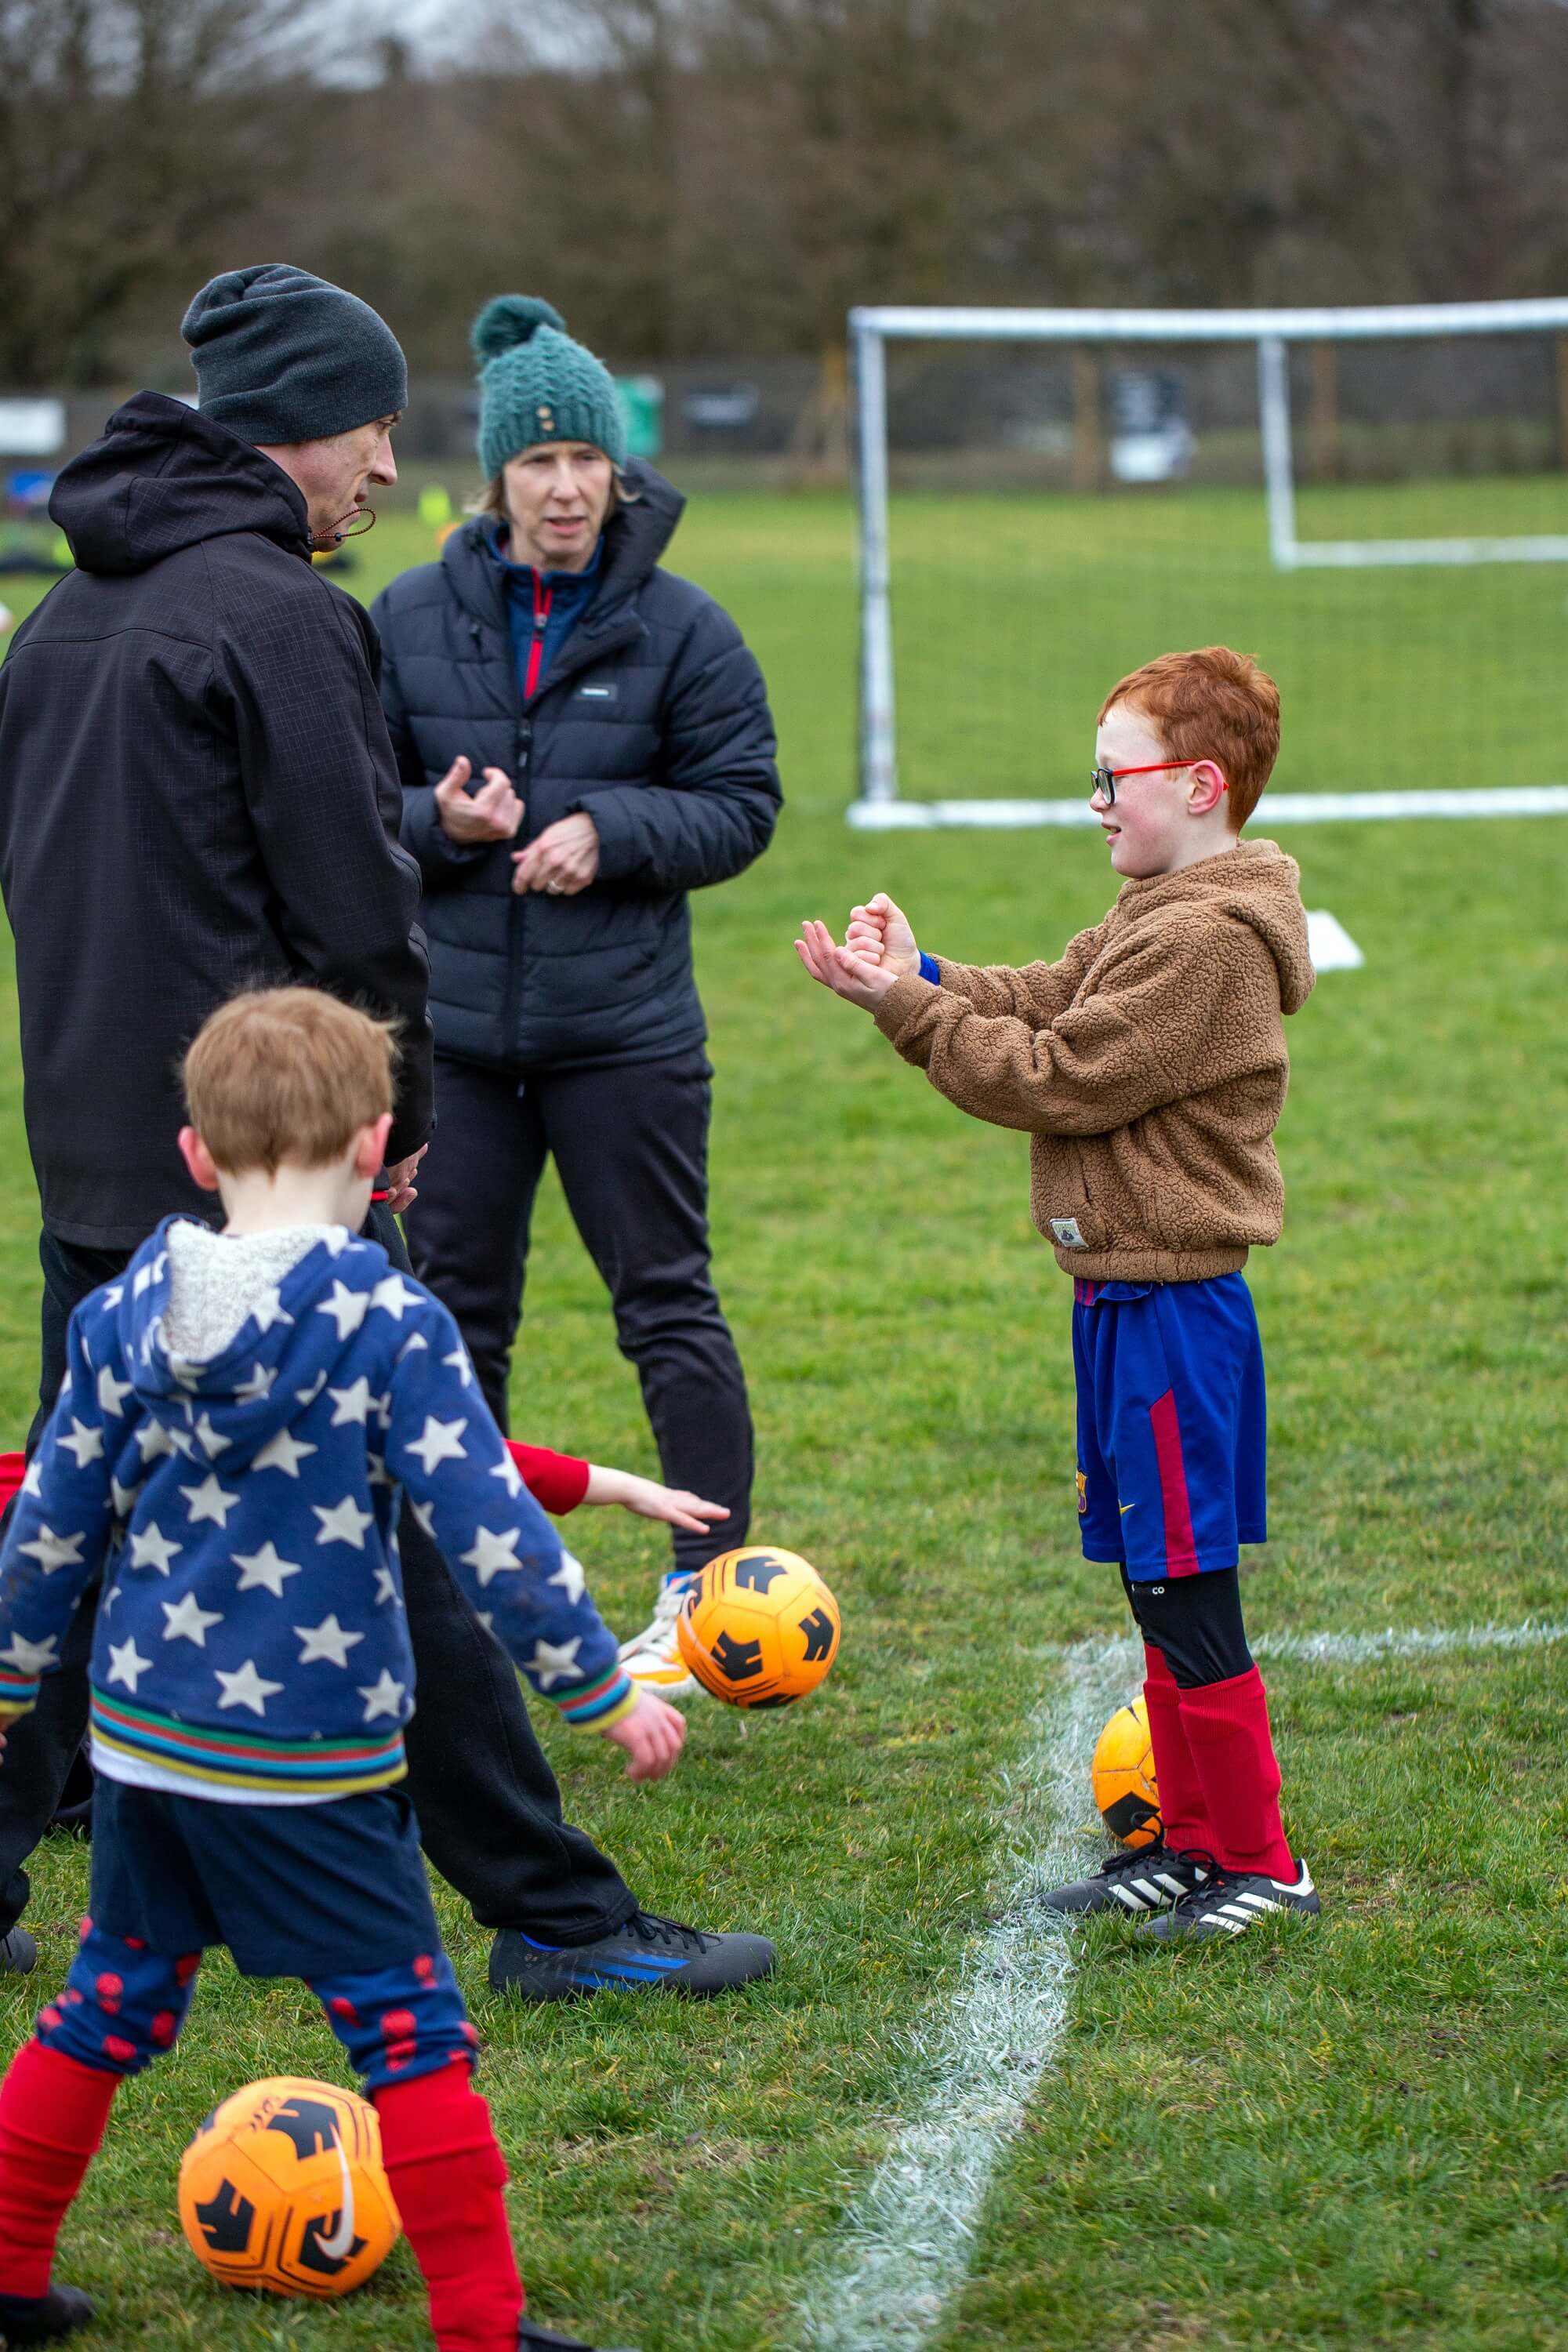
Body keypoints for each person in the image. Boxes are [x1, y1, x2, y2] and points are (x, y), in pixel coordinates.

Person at [0, 263, 773, 2002]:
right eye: (371, 430)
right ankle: (557, 1918)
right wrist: (395, 1122)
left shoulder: (65, 617)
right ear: (300, 428)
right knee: (405, 1523)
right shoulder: (282, 617)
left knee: (81, 1510)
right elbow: (354, 919)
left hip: (101, 1169)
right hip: (270, 1168)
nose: (381, 468)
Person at [0, 988, 670, 2350]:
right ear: (377, 1149)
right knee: (413, 2038)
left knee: (110, 2000)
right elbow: (486, 1521)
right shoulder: (387, 1317)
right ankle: (482, 2327)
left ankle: (6, 2272)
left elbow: (48, 1527)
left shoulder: (124, 1308)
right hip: (307, 1758)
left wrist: (10, 1686)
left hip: (141, 1745)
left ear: (195, 1155)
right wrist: (598, 1685)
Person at [796, 646, 1321, 1942]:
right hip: (1118, 1299)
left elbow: (1055, 1074)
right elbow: (1045, 996)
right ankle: (1190, 1846)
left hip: (1178, 1314)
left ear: (1201, 784)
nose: (1095, 803)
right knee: (1152, 1576)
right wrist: (919, 976)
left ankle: (1260, 1859)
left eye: (1113, 779)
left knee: (1189, 1585)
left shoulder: (1209, 942)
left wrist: (909, 1015)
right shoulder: (1154, 915)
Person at [372, 296, 780, 1701]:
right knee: (456, 1322)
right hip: (455, 1046)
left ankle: (708, 1596)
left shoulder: (685, 627)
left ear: (620, 472)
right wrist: (444, 822)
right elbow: (352, 809)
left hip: (627, 1037)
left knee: (667, 1304)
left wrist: (609, 832)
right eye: (537, 462)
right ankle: (471, 1604)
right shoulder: (409, 616)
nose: (562, 487)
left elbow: (743, 805)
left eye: (585, 462)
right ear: (497, 474)